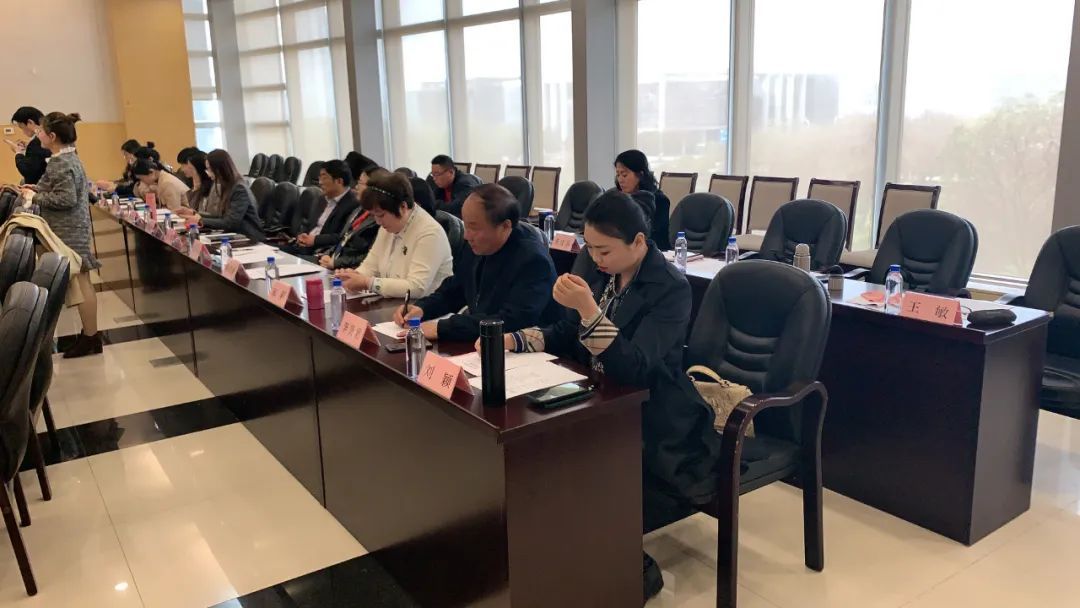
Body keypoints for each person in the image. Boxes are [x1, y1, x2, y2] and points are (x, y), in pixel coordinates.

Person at [484, 190, 717, 602]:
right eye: (590, 248)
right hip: (594, 395)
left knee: (568, 465)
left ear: (639, 242)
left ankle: (620, 567)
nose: (595, 258)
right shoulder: (600, 271)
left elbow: (637, 367)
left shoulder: (670, 288)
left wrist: (590, 311)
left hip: (649, 410)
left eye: (604, 250)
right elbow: (566, 333)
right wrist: (516, 340)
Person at [396, 183, 558, 342]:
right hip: (482, 342)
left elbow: (512, 321)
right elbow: (455, 289)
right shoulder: (476, 246)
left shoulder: (533, 260)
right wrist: (423, 308)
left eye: (473, 227)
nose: (466, 235)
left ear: (505, 226)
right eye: (465, 225)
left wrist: (443, 328)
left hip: (529, 349)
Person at [21, 112, 102, 357]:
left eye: (41, 131)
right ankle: (89, 335)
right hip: (72, 228)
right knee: (81, 282)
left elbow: (66, 198)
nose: (38, 135)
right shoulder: (65, 158)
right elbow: (57, 188)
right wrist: (34, 188)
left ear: (52, 136)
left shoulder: (61, 162)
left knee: (82, 282)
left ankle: (91, 337)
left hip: (68, 230)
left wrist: (35, 197)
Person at [335, 172, 453, 299]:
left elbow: (416, 287)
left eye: (381, 215)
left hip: (425, 306)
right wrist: (354, 276)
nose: (378, 222)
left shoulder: (430, 233)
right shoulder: (388, 226)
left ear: (403, 207)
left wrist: (368, 283)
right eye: (374, 215)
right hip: (394, 303)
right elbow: (371, 265)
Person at [315, 166, 387, 269]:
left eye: (360, 183)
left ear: (372, 188)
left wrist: (336, 263)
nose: (356, 187)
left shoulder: (380, 220)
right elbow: (343, 238)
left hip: (349, 269)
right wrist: (327, 254)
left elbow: (369, 257)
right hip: (332, 263)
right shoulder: (359, 209)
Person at [285, 160, 360, 256]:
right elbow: (311, 225)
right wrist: (303, 236)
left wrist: (315, 240)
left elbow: (343, 236)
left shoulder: (353, 204)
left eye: (324, 178)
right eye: (319, 178)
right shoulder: (322, 199)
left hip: (321, 253)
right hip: (303, 248)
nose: (320, 182)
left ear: (339, 181)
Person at [188, 149, 265, 242]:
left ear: (219, 169)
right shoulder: (227, 186)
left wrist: (201, 220)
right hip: (235, 235)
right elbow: (221, 216)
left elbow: (231, 222)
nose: (208, 173)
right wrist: (196, 215)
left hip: (249, 237)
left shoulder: (239, 188)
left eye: (209, 169)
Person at [615, 149, 671, 250]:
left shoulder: (659, 200)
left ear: (640, 175)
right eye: (618, 175)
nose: (620, 180)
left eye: (624, 175)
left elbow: (657, 238)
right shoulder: (619, 198)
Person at [7, 106, 50, 184]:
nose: (23, 132)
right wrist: (28, 147)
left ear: (30, 122)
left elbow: (27, 171)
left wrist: (18, 153)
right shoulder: (47, 137)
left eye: (22, 127)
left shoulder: (37, 141)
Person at [177, 151, 221, 217]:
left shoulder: (212, 189)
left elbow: (211, 214)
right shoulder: (192, 188)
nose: (183, 169)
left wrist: (193, 214)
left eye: (191, 168)